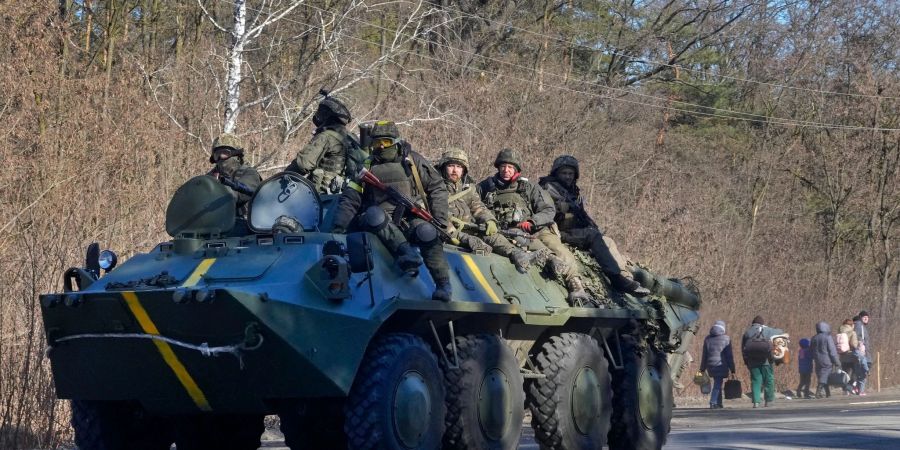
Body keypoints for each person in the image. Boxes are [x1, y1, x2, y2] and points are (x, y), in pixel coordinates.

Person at [331, 121, 452, 301]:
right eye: (376, 143)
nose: (380, 147)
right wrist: (338, 228)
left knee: (427, 232)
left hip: (409, 217)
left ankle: (443, 284)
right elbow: (351, 198)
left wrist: (440, 219)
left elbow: (437, 187)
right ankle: (406, 254)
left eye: (386, 142)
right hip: (378, 222)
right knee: (373, 214)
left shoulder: (412, 161)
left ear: (396, 141)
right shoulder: (366, 166)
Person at [477, 149, 591, 305]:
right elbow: (473, 204)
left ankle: (575, 286)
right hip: (509, 232)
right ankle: (548, 258)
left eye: (510, 167)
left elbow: (548, 209)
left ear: (516, 169)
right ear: (498, 167)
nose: (506, 170)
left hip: (538, 229)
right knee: (519, 239)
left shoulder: (528, 187)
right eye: (503, 166)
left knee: (562, 253)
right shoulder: (485, 187)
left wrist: (532, 221)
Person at [538, 155, 649, 296]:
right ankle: (615, 278)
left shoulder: (573, 191)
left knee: (607, 241)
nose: (567, 176)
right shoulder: (547, 188)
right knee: (593, 235)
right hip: (557, 231)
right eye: (564, 173)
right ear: (556, 173)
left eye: (570, 173)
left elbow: (582, 215)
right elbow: (546, 212)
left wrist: (593, 228)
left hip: (574, 231)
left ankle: (624, 276)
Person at [435, 148, 550, 272]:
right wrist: (463, 237)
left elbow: (477, 206)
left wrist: (489, 220)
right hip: (449, 233)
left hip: (469, 229)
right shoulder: (434, 187)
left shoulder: (466, 188)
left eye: (459, 166)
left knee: (492, 234)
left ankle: (517, 255)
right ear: (443, 167)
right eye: (451, 166)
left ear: (464, 170)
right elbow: (437, 219)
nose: (454, 170)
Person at [286, 91, 362, 194]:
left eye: (321, 113)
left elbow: (302, 165)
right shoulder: (352, 137)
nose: (318, 116)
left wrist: (280, 179)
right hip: (345, 196)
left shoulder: (326, 136)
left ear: (327, 116)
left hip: (321, 197)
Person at [207, 133, 263, 223]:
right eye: (217, 154)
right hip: (213, 225)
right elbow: (198, 193)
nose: (221, 158)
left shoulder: (249, 173)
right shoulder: (210, 177)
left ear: (236, 155)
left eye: (225, 153)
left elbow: (238, 195)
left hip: (244, 225)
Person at [741, 316, 784, 407]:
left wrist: (746, 361)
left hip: (752, 361)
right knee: (769, 380)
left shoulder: (748, 332)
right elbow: (780, 331)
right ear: (762, 323)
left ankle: (756, 402)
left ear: (753, 323)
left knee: (755, 380)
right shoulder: (768, 330)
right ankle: (768, 401)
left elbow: (743, 349)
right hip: (766, 361)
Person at [699, 320, 735, 409]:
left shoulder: (707, 339)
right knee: (718, 384)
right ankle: (713, 402)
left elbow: (704, 355)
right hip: (720, 364)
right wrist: (732, 368)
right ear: (723, 329)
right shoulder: (726, 339)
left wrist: (702, 368)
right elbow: (729, 356)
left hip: (710, 365)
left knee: (717, 382)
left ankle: (719, 403)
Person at [810, 321, 840, 399]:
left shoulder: (814, 338)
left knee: (822, 375)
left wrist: (813, 357)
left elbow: (811, 350)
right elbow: (832, 350)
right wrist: (836, 361)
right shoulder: (827, 337)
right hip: (827, 360)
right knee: (825, 375)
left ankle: (827, 393)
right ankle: (818, 391)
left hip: (817, 360)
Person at [837, 318, 860, 395]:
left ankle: (845, 390)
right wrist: (858, 344)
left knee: (845, 373)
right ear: (851, 325)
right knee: (855, 372)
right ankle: (849, 386)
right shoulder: (852, 332)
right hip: (851, 355)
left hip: (842, 356)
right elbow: (854, 344)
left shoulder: (839, 332)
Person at [854, 310, 871, 395]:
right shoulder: (859, 325)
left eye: (867, 317)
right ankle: (860, 390)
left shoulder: (862, 326)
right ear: (860, 317)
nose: (866, 318)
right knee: (863, 372)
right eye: (864, 317)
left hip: (864, 352)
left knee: (861, 372)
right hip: (862, 352)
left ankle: (858, 389)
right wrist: (861, 344)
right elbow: (857, 337)